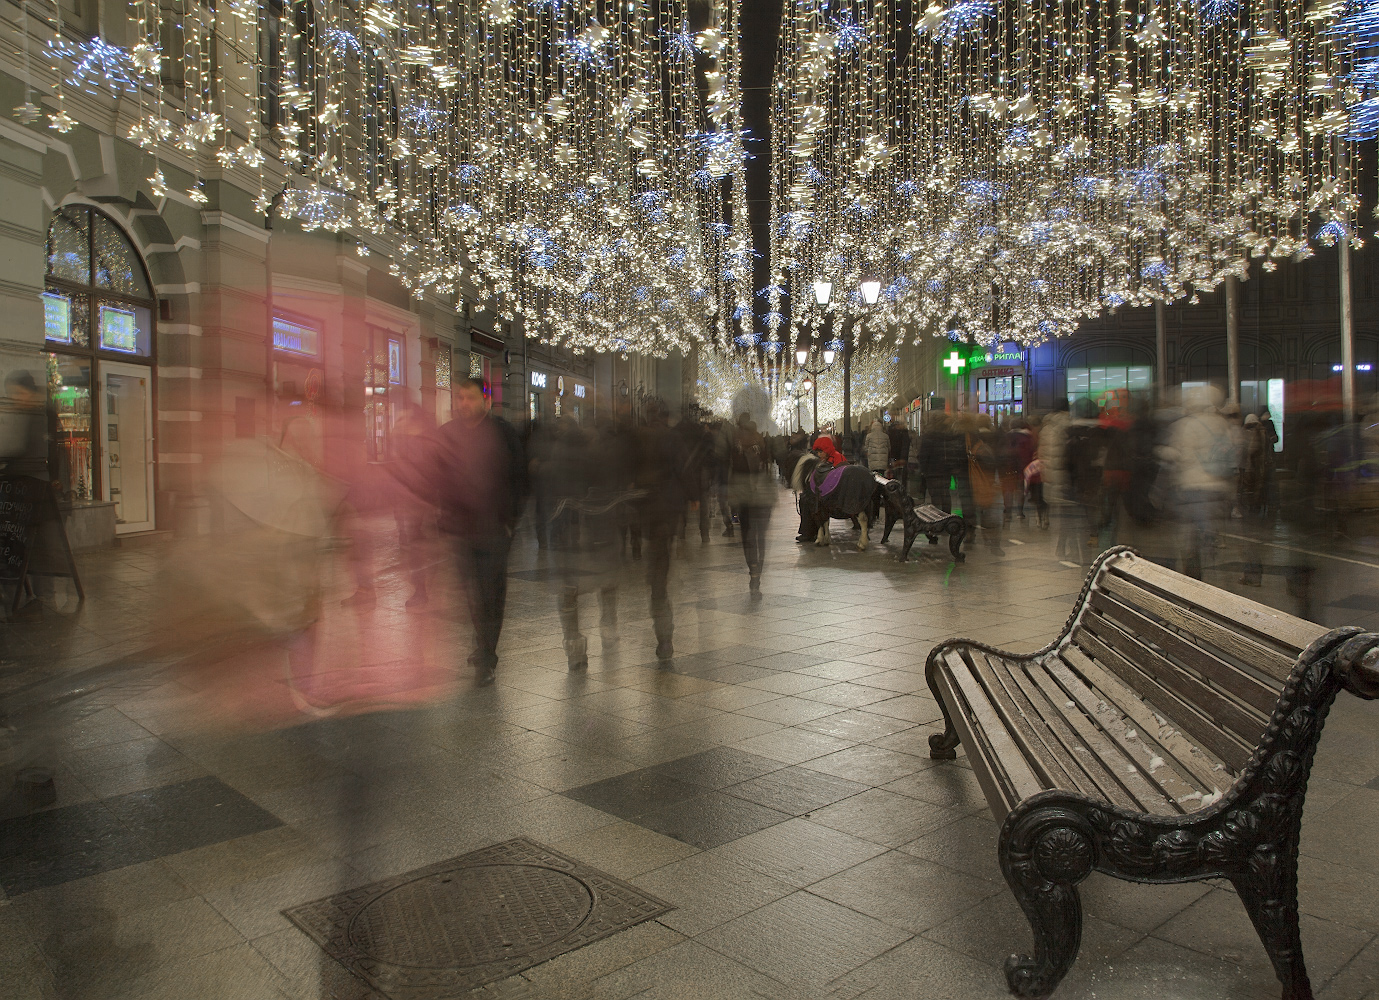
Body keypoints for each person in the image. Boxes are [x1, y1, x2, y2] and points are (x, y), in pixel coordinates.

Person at [431, 377, 528, 684]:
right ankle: (482, 644)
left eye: (470, 398)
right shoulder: (446, 435)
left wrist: (510, 520)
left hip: (494, 529)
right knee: (473, 594)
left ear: (486, 400)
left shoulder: (502, 433)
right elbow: (435, 477)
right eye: (460, 398)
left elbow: (520, 479)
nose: (464, 404)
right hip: (461, 530)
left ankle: (486, 656)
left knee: (491, 593)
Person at [632, 400, 689, 660]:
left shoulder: (639, 437)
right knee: (660, 571)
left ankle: (655, 581)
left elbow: (628, 471)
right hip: (667, 509)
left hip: (646, 508)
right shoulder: (672, 438)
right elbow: (682, 470)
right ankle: (664, 638)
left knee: (654, 564)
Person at [727, 413, 774, 596]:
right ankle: (757, 571)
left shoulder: (736, 445)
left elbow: (730, 469)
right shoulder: (761, 443)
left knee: (747, 535)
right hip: (761, 496)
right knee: (760, 535)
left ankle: (753, 570)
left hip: (745, 496)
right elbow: (769, 466)